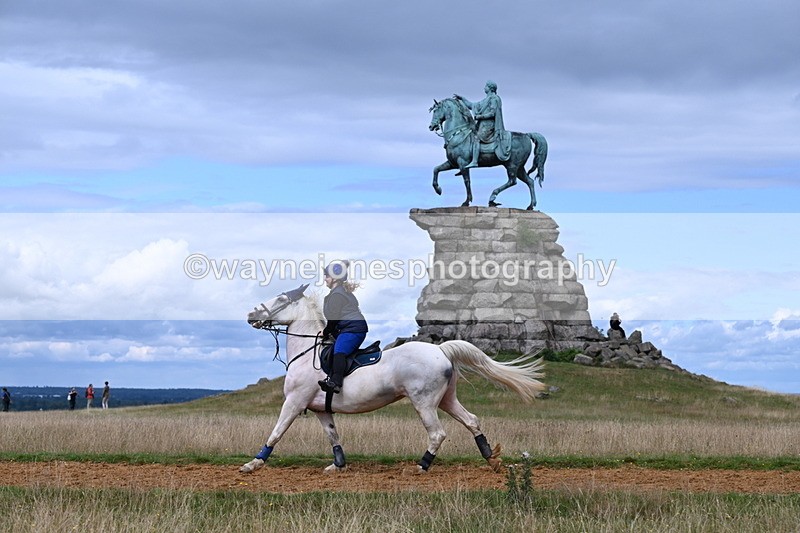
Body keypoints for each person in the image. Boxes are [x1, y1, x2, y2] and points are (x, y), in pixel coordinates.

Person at [318, 260, 369, 394]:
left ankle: (336, 383)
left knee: (339, 351)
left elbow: (333, 320)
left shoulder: (337, 295)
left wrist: (325, 332)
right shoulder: (338, 293)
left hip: (353, 329)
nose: (325, 279)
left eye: (327, 276)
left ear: (334, 279)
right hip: (348, 329)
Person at [453, 80, 509, 170]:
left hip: (489, 126)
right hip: (482, 125)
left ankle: (474, 161)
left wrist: (480, 116)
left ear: (490, 88)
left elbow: (493, 113)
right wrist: (462, 99)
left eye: (486, 86)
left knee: (476, 138)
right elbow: (472, 105)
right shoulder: (486, 100)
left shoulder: (494, 99)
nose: (484, 88)